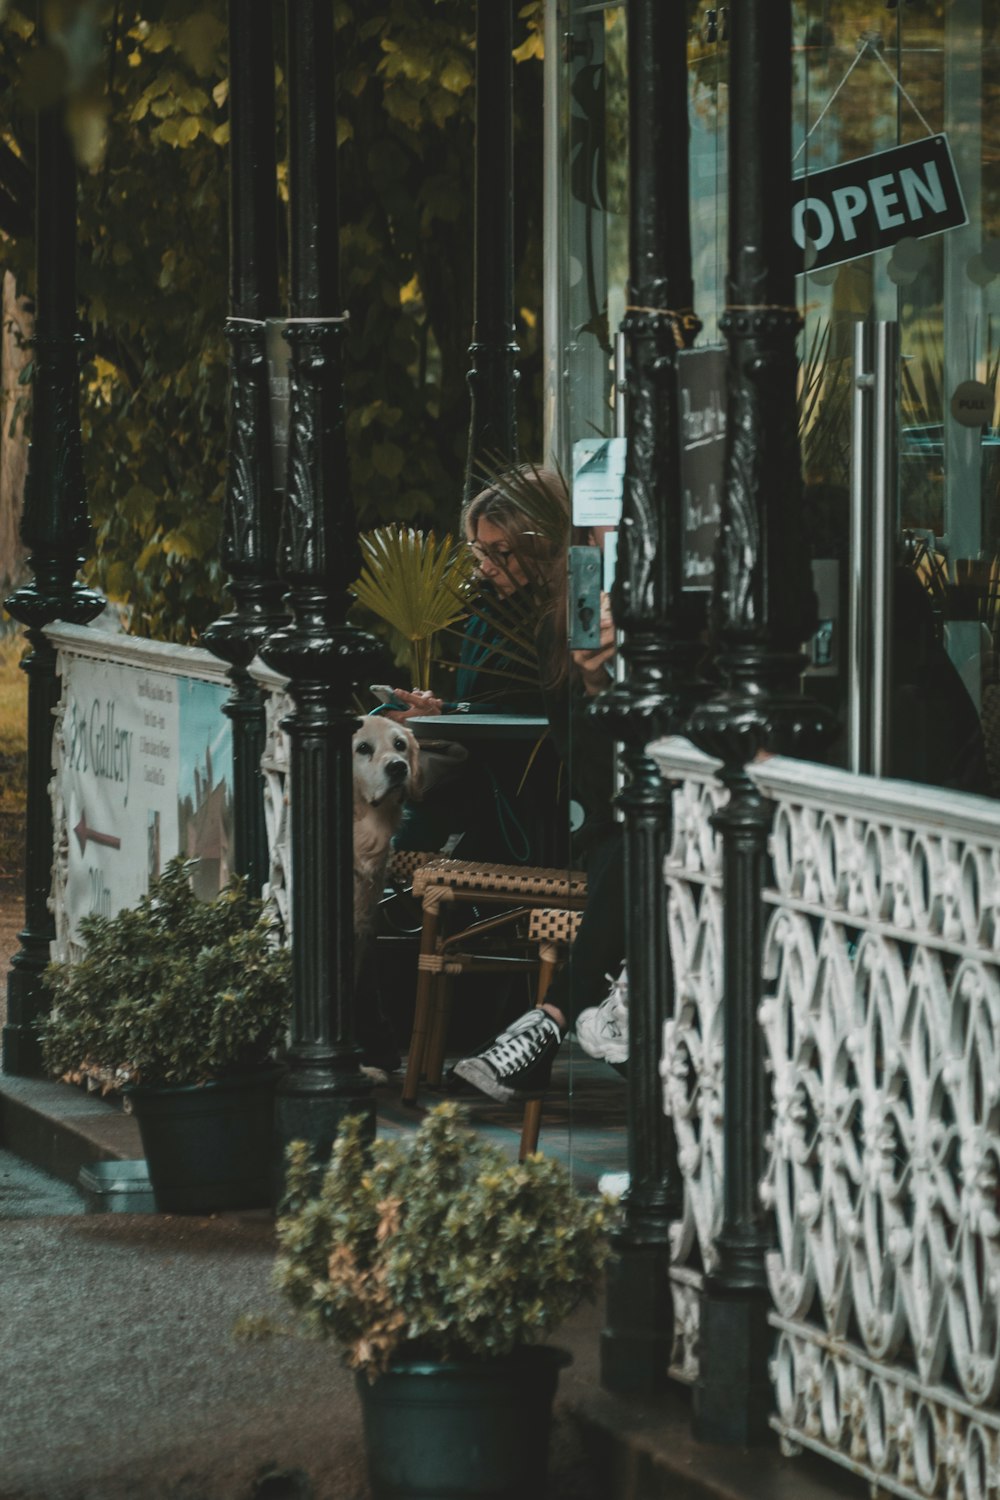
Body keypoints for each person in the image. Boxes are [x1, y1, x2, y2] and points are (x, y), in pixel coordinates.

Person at [450, 470, 627, 1103]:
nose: (491, 568)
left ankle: (550, 1020)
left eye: (503, 551)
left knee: (632, 846)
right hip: (598, 818)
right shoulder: (548, 619)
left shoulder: (619, 599)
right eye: (482, 554)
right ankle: (586, 1012)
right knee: (626, 844)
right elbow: (580, 750)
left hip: (627, 822)